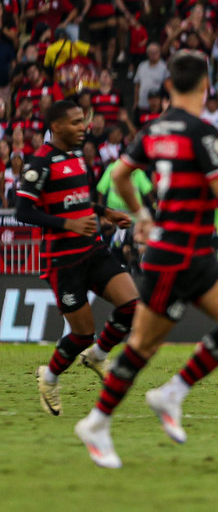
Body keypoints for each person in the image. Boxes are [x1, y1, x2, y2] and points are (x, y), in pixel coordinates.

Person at [74, 50, 218, 469]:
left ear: (169, 86)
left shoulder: (153, 129)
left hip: (194, 253)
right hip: (173, 255)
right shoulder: (202, 131)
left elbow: (119, 175)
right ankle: (96, 422)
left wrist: (143, 214)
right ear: (207, 87)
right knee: (142, 346)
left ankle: (171, 393)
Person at [15, 100, 140, 416]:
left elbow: (80, 201)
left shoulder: (77, 159)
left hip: (93, 250)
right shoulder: (39, 163)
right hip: (63, 261)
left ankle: (97, 356)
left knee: (132, 305)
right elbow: (23, 211)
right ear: (55, 127)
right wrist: (66, 223)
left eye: (82, 121)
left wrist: (105, 211)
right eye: (74, 123)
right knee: (81, 333)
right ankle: (50, 377)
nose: (82, 127)